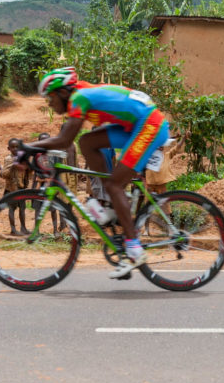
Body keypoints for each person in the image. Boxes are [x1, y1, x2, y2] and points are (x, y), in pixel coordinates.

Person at [29, 67, 171, 278]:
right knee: (87, 142)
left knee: (115, 184)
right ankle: (109, 204)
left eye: (50, 98)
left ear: (63, 92)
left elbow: (64, 140)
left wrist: (26, 148)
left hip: (149, 125)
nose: (49, 103)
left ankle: (133, 249)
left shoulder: (80, 98)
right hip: (135, 124)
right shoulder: (81, 94)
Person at [0, 138, 30, 235]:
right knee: (12, 208)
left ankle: (23, 228)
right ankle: (13, 229)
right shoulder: (8, 159)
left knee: (22, 208)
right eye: (13, 147)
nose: (15, 149)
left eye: (17, 147)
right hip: (11, 189)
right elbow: (3, 174)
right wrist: (13, 166)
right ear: (9, 148)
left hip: (21, 187)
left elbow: (27, 172)